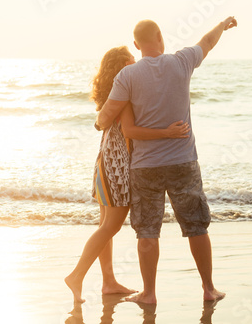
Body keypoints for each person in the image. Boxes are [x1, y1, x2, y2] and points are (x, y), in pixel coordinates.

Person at [96, 17, 238, 304]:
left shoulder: (127, 76)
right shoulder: (182, 61)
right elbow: (207, 42)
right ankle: (209, 289)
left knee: (147, 230)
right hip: (183, 161)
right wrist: (222, 25)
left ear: (136, 45)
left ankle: (149, 294)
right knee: (196, 225)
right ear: (160, 37)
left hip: (145, 167)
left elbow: (108, 114)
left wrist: (99, 124)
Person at [65, 46, 191, 303]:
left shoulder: (116, 93)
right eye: (132, 61)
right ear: (123, 65)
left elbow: (105, 123)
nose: (137, 65)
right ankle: (76, 276)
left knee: (105, 226)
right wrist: (167, 133)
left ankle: (108, 283)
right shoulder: (123, 94)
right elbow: (131, 132)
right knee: (110, 226)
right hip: (118, 168)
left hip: (105, 163)